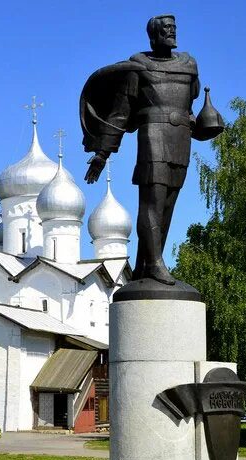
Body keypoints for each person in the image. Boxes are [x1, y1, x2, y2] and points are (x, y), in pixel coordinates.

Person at [81, 14, 211, 285]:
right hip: (153, 135)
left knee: (167, 206)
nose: (172, 32)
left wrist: (202, 125)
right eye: (166, 29)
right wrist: (103, 153)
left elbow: (189, 108)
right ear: (153, 35)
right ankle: (155, 263)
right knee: (152, 201)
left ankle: (144, 267)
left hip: (181, 139)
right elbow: (120, 113)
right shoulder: (137, 67)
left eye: (174, 28)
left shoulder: (189, 65)